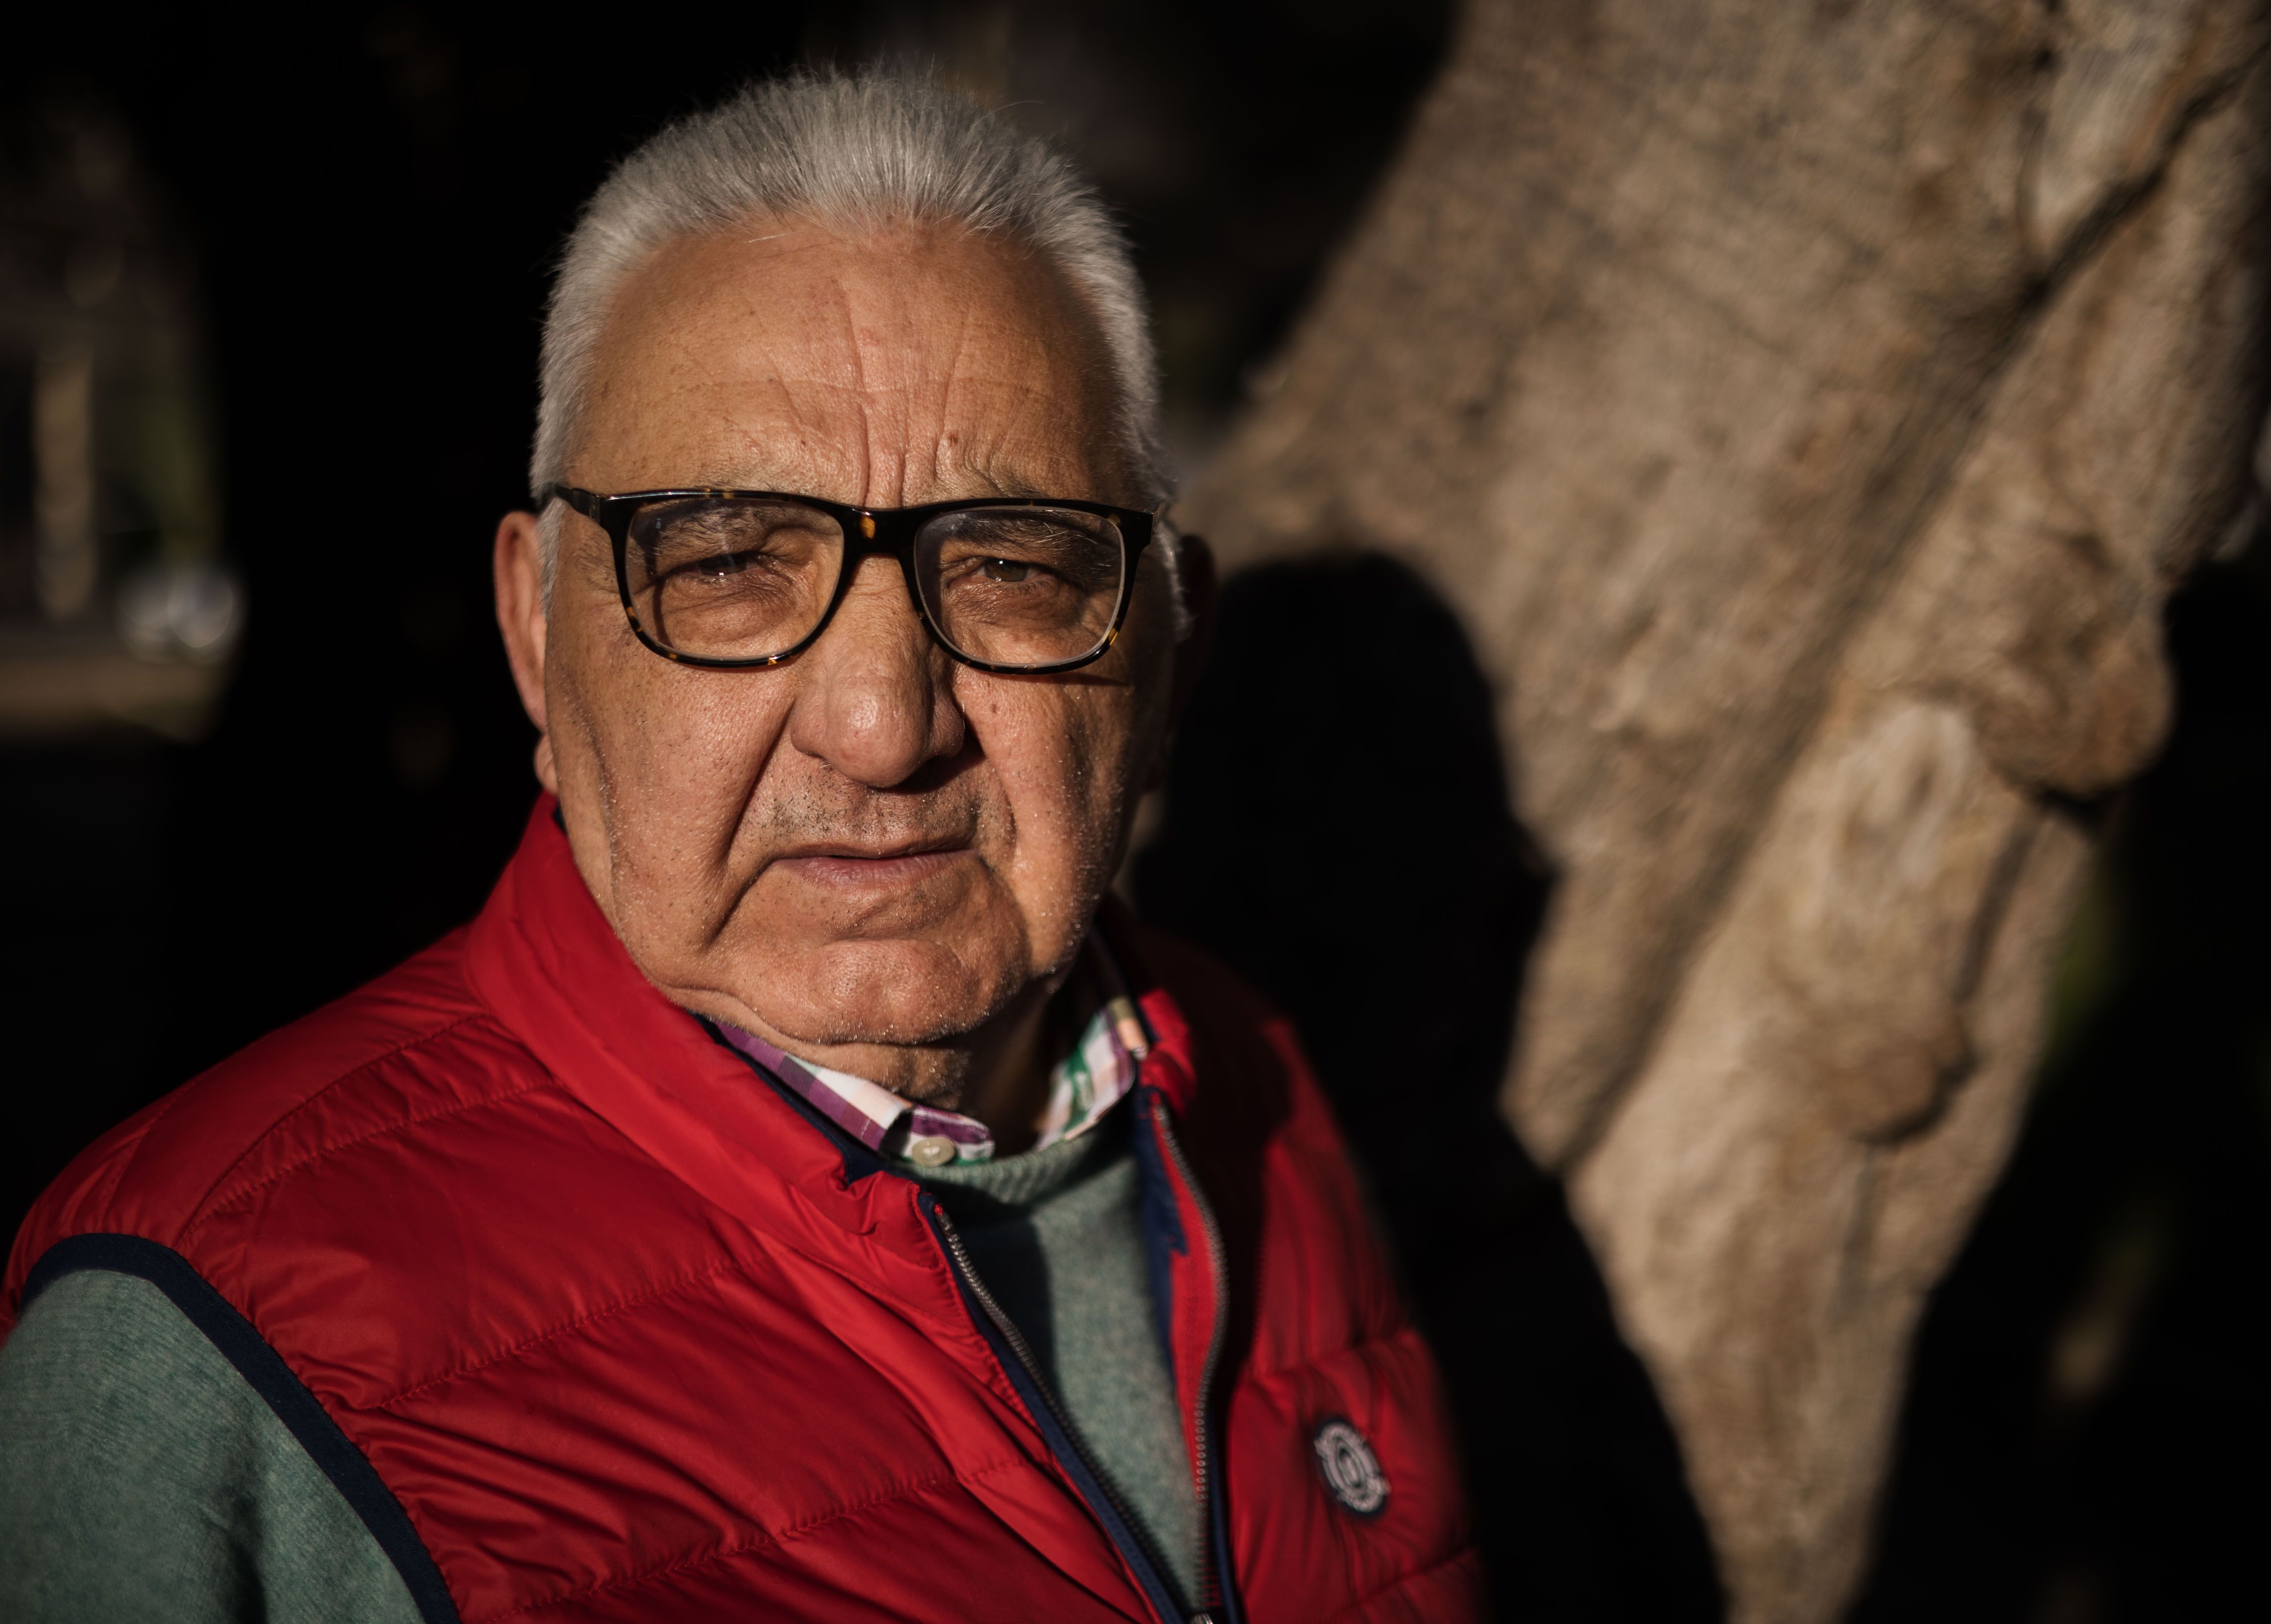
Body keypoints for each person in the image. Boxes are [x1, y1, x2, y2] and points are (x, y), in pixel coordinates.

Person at [0, 72, 1480, 1624]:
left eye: (1011, 566)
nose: (883, 724)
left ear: (1169, 658)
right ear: (533, 636)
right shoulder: (196, 1340)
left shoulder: (1259, 1092)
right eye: (725, 564)